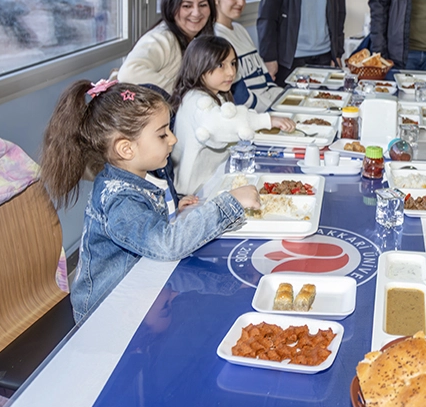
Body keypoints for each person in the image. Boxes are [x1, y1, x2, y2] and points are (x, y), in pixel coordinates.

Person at [39, 79, 261, 322]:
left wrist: (174, 208)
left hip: (134, 289)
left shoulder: (127, 181)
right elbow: (165, 244)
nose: (173, 139)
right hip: (106, 314)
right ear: (126, 149)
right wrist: (231, 202)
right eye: (162, 134)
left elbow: (141, 228)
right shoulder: (121, 199)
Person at [170, 36, 294, 196]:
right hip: (195, 194)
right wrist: (267, 120)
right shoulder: (197, 101)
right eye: (221, 65)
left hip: (212, 183)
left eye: (233, 63)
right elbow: (224, 126)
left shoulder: (214, 95)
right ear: (199, 66)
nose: (231, 72)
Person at [118, 0, 215, 94]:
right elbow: (128, 73)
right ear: (171, 6)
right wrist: (183, 93)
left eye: (203, 5)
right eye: (187, 6)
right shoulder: (161, 38)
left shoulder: (197, 40)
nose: (196, 13)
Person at [209, 0, 281, 110]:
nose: (241, 2)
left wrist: (284, 97)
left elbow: (265, 78)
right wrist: (272, 112)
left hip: (269, 104)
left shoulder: (239, 29)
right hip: (254, 113)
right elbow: (239, 96)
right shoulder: (216, 38)